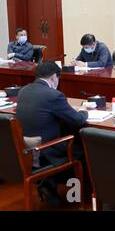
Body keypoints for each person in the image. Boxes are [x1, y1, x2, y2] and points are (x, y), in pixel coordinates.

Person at [16, 61, 88, 205]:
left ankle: (48, 184)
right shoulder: (53, 95)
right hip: (46, 150)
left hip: (26, 149)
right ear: (55, 77)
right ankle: (75, 197)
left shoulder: (23, 91)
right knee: (81, 150)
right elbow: (77, 121)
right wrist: (84, 111)